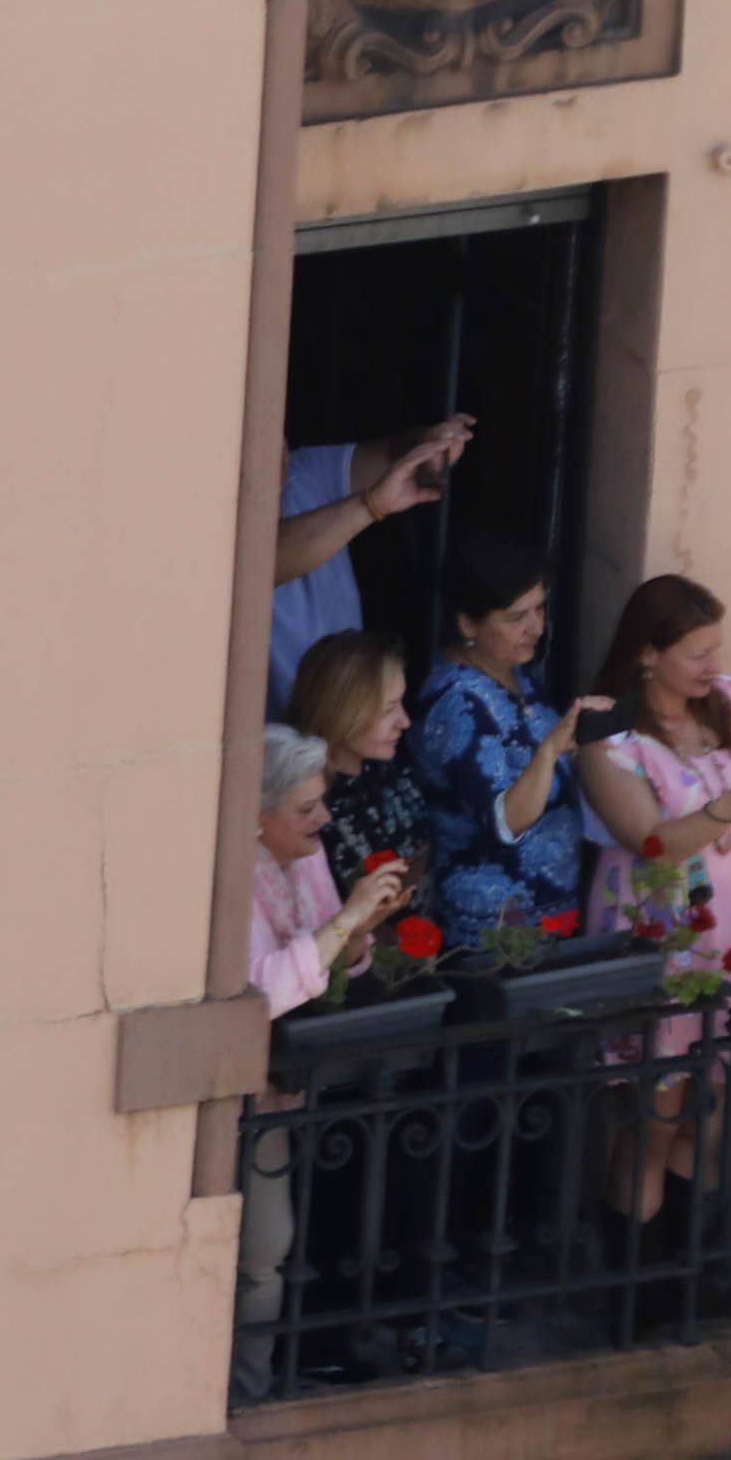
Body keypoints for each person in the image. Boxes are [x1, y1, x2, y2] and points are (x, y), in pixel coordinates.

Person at [575, 572, 731, 1220]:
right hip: (660, 943)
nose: (715, 665)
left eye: (717, 649)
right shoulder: (608, 731)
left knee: (702, 1120)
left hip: (725, 938)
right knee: (652, 1124)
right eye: (697, 653)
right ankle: (632, 1282)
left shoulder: (725, 705)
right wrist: (730, 803)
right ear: (648, 655)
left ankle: (678, 1274)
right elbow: (649, 841)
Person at [238, 724, 415, 1394]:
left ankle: (281, 1366)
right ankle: (247, 1392)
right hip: (249, 1091)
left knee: (293, 1244)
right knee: (264, 1249)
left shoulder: (305, 854)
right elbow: (263, 990)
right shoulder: (231, 875)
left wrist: (361, 927)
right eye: (306, 808)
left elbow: (331, 949)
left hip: (305, 1077)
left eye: (322, 802)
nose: (325, 818)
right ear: (256, 818)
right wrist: (346, 923)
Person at [403, 527, 611, 936]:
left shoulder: (518, 673)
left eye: (539, 609)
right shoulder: (455, 703)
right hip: (493, 932)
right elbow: (506, 822)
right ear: (468, 623)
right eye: (516, 617)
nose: (535, 628)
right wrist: (550, 752)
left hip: (553, 912)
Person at [269, 412, 473, 710]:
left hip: (350, 720)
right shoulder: (211, 523)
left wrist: (427, 446)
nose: (278, 452)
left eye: (279, 436)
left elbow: (391, 455)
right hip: (282, 737)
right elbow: (263, 560)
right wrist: (372, 504)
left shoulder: (304, 471)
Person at [285, 628, 431, 897]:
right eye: (388, 710)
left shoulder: (388, 769)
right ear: (342, 713)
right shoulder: (311, 807)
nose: (404, 722)